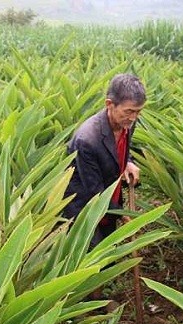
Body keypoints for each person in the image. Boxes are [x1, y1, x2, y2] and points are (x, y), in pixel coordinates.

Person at [64, 73, 144, 247]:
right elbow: (95, 192)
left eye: (138, 112)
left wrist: (128, 161)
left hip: (109, 195)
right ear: (109, 104)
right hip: (84, 206)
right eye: (129, 111)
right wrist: (123, 215)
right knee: (93, 257)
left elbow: (120, 147)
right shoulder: (86, 140)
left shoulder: (127, 122)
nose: (134, 117)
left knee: (109, 251)